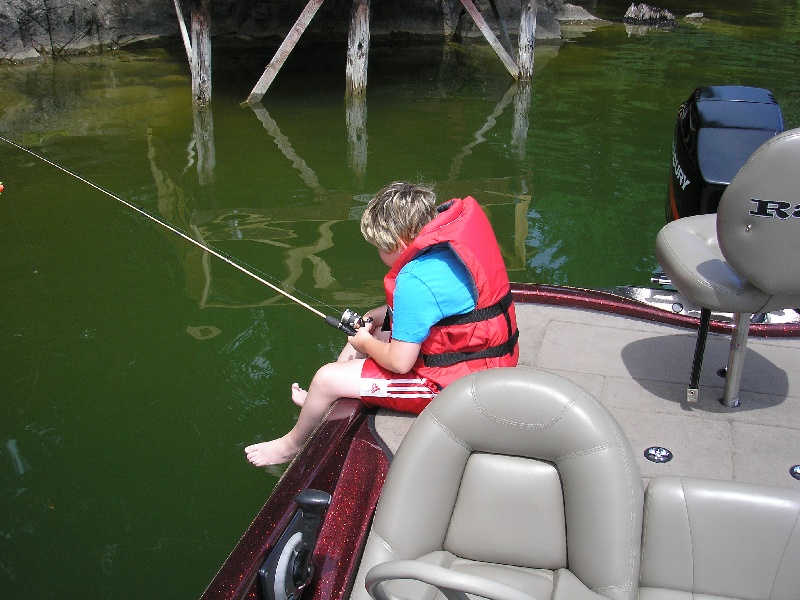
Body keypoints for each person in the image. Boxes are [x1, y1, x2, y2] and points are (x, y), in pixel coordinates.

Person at [245, 181, 519, 466]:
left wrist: (365, 344)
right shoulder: (446, 248)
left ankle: (291, 445)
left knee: (326, 377)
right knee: (370, 327)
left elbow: (400, 363)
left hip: (456, 387)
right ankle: (323, 402)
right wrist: (377, 319)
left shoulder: (415, 281)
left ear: (399, 243)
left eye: (379, 247)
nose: (378, 254)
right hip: (485, 362)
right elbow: (438, 309)